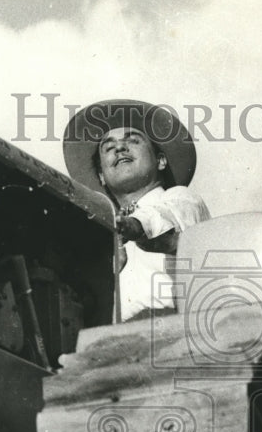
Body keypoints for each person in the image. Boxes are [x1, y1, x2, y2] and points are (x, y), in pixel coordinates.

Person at [63, 100, 210, 321]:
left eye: (132, 141)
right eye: (109, 148)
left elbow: (164, 219)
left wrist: (134, 226)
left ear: (160, 161)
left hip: (181, 330)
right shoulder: (99, 235)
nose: (120, 148)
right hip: (118, 344)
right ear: (101, 175)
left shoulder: (180, 198)